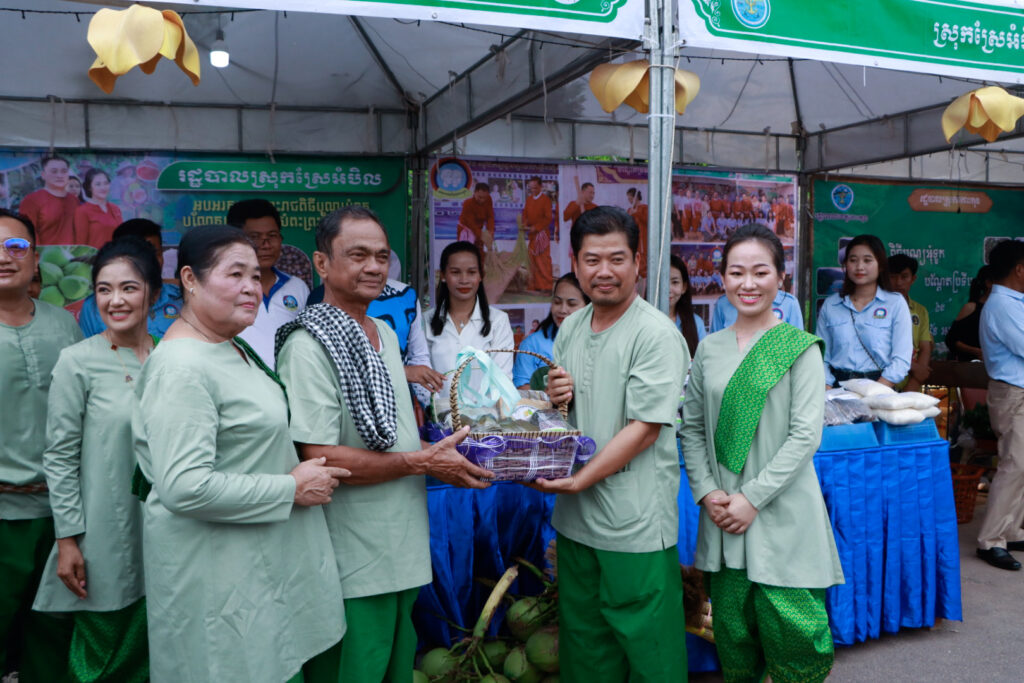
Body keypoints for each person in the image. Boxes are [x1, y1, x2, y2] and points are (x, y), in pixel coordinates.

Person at [276, 206, 490, 682]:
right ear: (322, 263)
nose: (374, 267)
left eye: (381, 256)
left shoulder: (386, 334)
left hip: (402, 547)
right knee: (353, 669)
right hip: (351, 556)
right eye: (358, 255)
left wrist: (441, 454)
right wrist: (421, 463)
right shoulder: (309, 345)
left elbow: (399, 435)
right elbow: (318, 456)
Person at [132, 225, 348, 682]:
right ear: (189, 279)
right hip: (216, 574)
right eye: (235, 274)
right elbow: (184, 487)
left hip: (253, 565)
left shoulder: (228, 345)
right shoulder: (181, 367)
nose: (252, 287)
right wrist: (290, 487)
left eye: (255, 275)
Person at [530, 206, 688, 681]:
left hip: (632, 521)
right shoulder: (572, 326)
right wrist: (555, 396)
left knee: (650, 650)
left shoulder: (655, 333)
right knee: (585, 646)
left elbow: (645, 428)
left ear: (637, 262)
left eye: (617, 259)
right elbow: (567, 415)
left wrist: (579, 480)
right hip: (576, 519)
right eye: (592, 260)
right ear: (575, 265)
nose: (604, 271)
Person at [681, 223, 843, 682]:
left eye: (760, 272)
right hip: (722, 516)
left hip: (781, 513)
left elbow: (805, 436)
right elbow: (692, 428)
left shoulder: (800, 348)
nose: (747, 283)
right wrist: (707, 491)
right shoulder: (709, 349)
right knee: (734, 638)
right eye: (736, 272)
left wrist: (751, 498)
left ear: (780, 278)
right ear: (723, 278)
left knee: (797, 638)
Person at [32, 238, 162, 682]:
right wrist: (68, 539)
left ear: (153, 293)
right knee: (102, 652)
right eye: (104, 290)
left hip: (168, 529)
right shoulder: (77, 362)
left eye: (129, 288)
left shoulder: (172, 357)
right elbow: (60, 455)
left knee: (159, 646)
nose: (115, 300)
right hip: (105, 535)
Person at [0, 209, 82, 681]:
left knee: (52, 637)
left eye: (15, 247)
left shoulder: (63, 326)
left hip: (60, 515)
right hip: (2, 513)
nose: (4, 257)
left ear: (35, 259)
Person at [974, 239, 1024, 571]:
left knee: (1022, 465)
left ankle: (1011, 531)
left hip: (1017, 390)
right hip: (1013, 392)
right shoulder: (1003, 304)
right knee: (1014, 464)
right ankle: (990, 540)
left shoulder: (1014, 301)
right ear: (1019, 269)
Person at [817, 234, 912, 389]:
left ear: (881, 265)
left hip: (880, 387)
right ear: (846, 265)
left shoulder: (895, 303)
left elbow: (901, 359)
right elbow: (821, 357)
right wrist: (828, 389)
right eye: (853, 260)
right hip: (837, 387)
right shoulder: (831, 305)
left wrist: (874, 392)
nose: (859, 266)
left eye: (867, 260)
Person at [424, 241, 515, 398]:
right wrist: (438, 408)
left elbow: (502, 380)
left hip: (486, 413)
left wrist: (481, 411)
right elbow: (422, 378)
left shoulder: (498, 321)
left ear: (480, 276)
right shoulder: (426, 321)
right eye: (455, 272)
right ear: (443, 275)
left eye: (471, 272)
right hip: (439, 412)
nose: (464, 280)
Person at [226, 199, 309, 369]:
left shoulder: (297, 287)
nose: (266, 245)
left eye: (272, 236)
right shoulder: (224, 287)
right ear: (235, 241)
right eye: (254, 237)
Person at [78, 219, 182, 339]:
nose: (116, 302)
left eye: (156, 254)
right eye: (104, 289)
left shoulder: (180, 297)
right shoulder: (92, 308)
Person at [512, 273, 589, 388]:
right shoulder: (532, 344)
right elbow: (522, 388)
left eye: (571, 304)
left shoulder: (603, 341)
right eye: (557, 302)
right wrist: (550, 394)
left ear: (590, 306)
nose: (562, 310)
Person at [888, 253, 933, 391]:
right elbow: (879, 349)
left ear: (913, 279)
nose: (898, 282)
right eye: (893, 276)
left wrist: (915, 381)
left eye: (904, 277)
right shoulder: (878, 308)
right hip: (883, 382)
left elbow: (925, 347)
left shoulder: (920, 311)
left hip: (911, 384)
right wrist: (914, 367)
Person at [18, 155, 79, 246]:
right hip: (44, 254)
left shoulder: (74, 200)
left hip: (73, 253)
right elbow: (27, 234)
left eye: (64, 171)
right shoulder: (32, 200)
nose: (59, 175)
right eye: (54, 171)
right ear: (43, 175)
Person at [710, 282, 804, 334]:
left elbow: (798, 351)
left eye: (760, 273)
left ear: (780, 276)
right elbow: (715, 349)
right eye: (738, 273)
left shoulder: (789, 303)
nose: (749, 284)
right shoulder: (723, 304)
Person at [946, 265, 993, 361]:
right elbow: (951, 340)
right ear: (988, 283)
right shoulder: (971, 307)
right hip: (971, 365)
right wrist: (977, 351)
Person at [72, 169, 123, 249]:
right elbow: (81, 244)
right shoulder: (82, 211)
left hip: (115, 254)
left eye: (106, 183)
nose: (103, 188)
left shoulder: (115, 208)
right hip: (95, 256)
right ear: (89, 187)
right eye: (98, 184)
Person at [669, 254, 705, 357]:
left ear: (684, 287)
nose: (668, 289)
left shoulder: (697, 323)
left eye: (675, 282)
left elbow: (703, 362)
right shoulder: (642, 321)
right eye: (662, 281)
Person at [522, 176, 554, 293]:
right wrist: (524, 224)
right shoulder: (529, 199)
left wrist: (536, 227)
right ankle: (533, 286)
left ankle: (546, 286)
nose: (533, 190)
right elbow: (525, 214)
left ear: (540, 187)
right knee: (532, 260)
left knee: (542, 260)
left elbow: (548, 218)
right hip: (532, 235)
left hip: (542, 234)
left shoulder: (546, 200)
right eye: (531, 188)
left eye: (535, 187)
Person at [457, 182, 495, 251]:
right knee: (466, 252)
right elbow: (471, 224)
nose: (482, 200)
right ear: (474, 192)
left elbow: (490, 216)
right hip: (466, 230)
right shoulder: (467, 204)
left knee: (480, 252)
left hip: (479, 229)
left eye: (484, 198)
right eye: (480, 197)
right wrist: (482, 235)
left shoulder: (489, 199)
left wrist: (490, 230)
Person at [625, 187, 649, 279]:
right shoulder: (629, 210)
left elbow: (648, 221)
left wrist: (637, 213)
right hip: (632, 242)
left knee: (642, 267)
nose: (629, 201)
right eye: (628, 198)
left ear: (636, 198)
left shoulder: (645, 208)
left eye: (630, 198)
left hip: (642, 242)